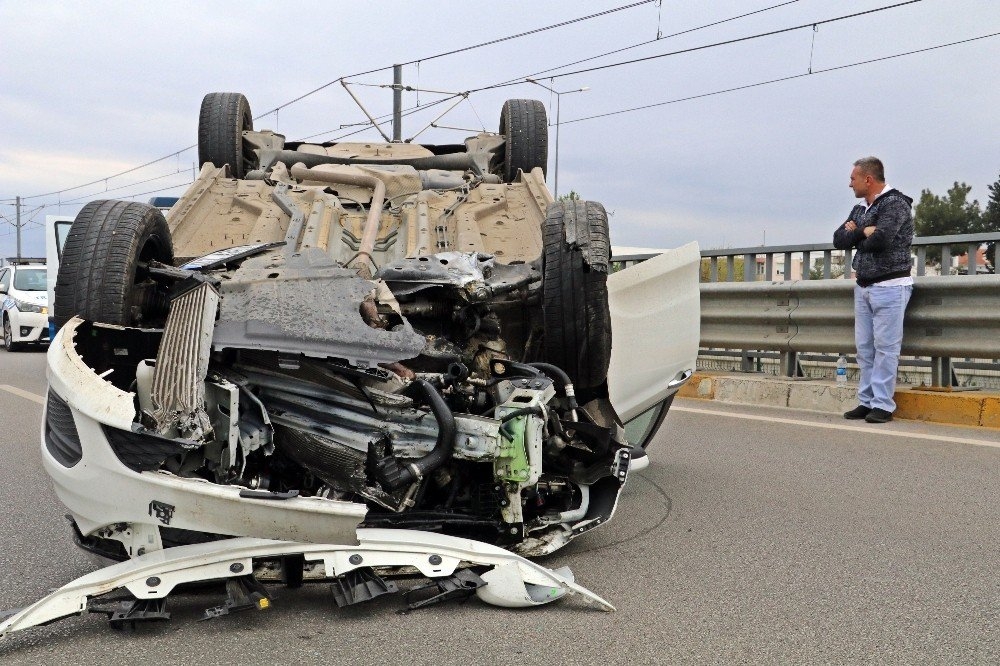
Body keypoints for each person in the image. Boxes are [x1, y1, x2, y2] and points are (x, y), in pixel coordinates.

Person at [833, 157, 914, 423]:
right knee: (865, 349)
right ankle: (866, 401)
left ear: (867, 179)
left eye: (853, 179)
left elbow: (880, 241)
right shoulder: (859, 209)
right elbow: (838, 240)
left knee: (886, 348)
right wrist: (861, 232)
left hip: (891, 286)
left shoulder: (896, 203)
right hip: (864, 286)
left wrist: (859, 233)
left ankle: (883, 405)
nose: (849, 184)